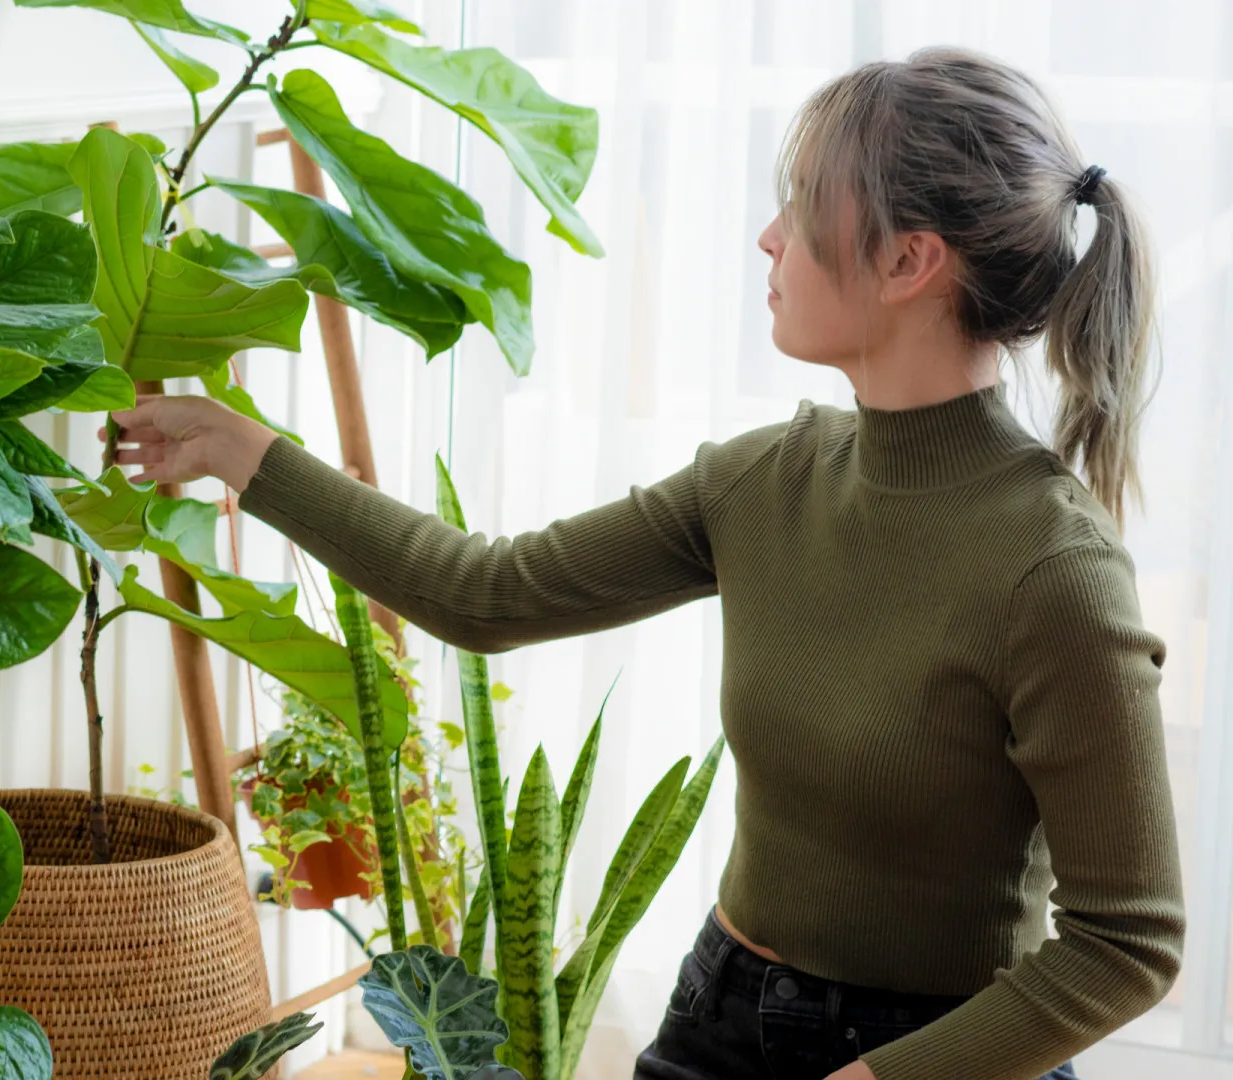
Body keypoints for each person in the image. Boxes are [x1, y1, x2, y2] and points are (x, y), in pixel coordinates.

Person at [105, 46, 1182, 1080]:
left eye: (803, 206)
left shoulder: (1054, 574)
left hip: (947, 1056)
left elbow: (1127, 943)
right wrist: (241, 452)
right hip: (721, 1014)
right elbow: (486, 592)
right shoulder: (763, 482)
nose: (768, 238)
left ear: (910, 261)